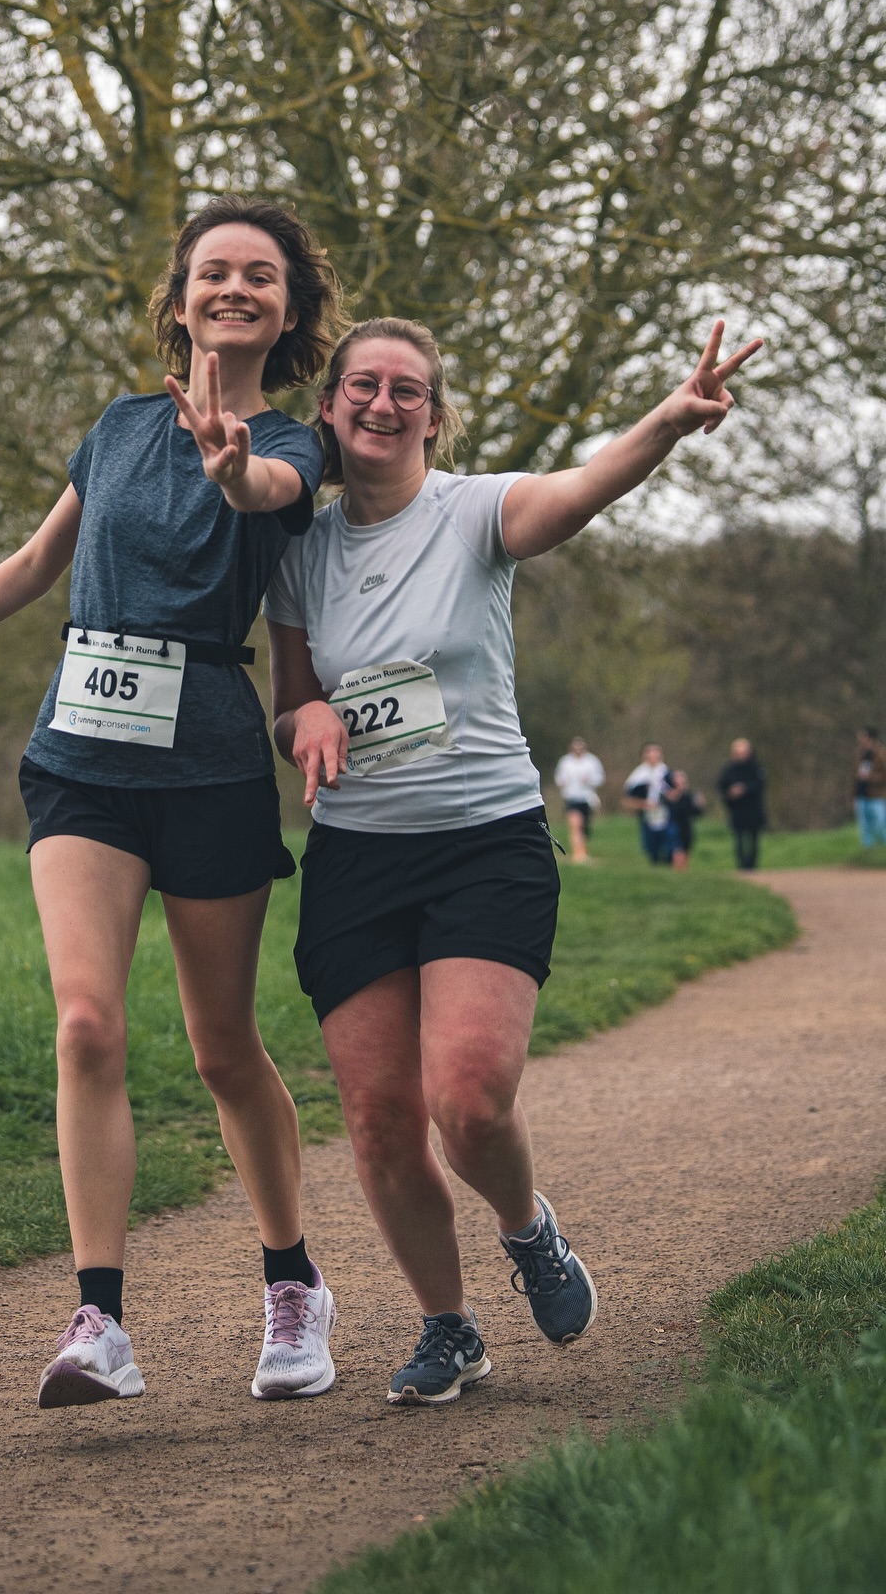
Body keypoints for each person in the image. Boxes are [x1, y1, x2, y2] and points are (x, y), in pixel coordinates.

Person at [0, 196, 343, 1408]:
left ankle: (292, 1284)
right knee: (86, 1024)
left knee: (223, 1047)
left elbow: (268, 493)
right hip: (82, 755)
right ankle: (100, 1319)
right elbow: (35, 565)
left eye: (261, 278)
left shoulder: (298, 437)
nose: (236, 288)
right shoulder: (120, 428)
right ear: (178, 299)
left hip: (213, 762)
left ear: (287, 312)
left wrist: (234, 469)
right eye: (215, 272)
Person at [266, 312, 760, 1405]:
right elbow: (290, 695)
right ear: (332, 408)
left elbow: (580, 489)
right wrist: (301, 723)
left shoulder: (477, 511)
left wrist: (669, 423)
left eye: (408, 390)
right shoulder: (298, 547)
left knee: (470, 1100)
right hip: (357, 858)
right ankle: (450, 1329)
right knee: (383, 1122)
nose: (383, 404)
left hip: (485, 841)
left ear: (436, 417)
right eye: (363, 387)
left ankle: (528, 1230)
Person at [717, 739, 766, 870]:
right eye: (738, 752)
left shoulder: (756, 768)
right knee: (738, 838)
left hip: (753, 809)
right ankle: (742, 866)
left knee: (754, 838)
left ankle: (752, 865)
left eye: (743, 752)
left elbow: (760, 785)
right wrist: (730, 793)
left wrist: (744, 788)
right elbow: (721, 786)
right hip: (737, 810)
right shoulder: (729, 770)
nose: (740, 755)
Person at [553, 737, 604, 863]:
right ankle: (578, 854)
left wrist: (589, 780)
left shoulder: (591, 761)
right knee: (575, 825)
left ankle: (582, 850)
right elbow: (559, 778)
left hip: (587, 798)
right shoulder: (565, 762)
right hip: (571, 797)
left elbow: (600, 778)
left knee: (584, 828)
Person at [623, 744, 675, 865]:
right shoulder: (638, 776)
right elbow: (627, 799)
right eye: (649, 754)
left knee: (669, 845)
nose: (653, 756)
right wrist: (644, 805)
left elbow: (676, 794)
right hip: (647, 816)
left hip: (667, 815)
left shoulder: (667, 774)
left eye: (656, 753)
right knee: (651, 847)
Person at [664, 770, 705, 871]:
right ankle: (677, 870)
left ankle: (683, 873)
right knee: (678, 850)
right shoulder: (669, 795)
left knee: (686, 850)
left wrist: (700, 805)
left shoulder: (690, 796)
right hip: (673, 826)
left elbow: (696, 813)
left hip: (686, 826)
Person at [852, 728, 886, 849]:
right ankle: (868, 851)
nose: (861, 739)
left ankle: (883, 847)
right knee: (864, 827)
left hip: (877, 795)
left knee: (879, 823)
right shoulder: (860, 754)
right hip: (861, 794)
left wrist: (869, 777)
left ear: (871, 738)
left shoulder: (881, 753)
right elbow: (855, 776)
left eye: (863, 737)